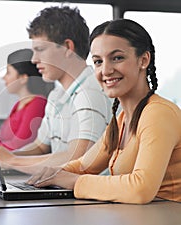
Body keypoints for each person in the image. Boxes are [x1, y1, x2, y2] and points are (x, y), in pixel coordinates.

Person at [27, 18, 181, 204]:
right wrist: (51, 175)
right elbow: (85, 165)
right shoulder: (123, 119)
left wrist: (73, 181)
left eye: (117, 58)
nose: (105, 70)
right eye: (98, 62)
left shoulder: (158, 113)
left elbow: (141, 189)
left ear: (143, 60)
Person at [0, 6, 112, 174]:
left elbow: (77, 158)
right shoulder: (56, 95)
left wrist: (13, 161)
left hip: (89, 194)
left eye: (40, 50)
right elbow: (41, 146)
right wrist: (4, 158)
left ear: (67, 47)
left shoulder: (90, 92)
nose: (34, 60)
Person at [0, 48, 54, 152]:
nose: (4, 78)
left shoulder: (38, 104)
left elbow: (18, 145)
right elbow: (3, 140)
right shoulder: (19, 104)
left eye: (8, 73)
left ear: (23, 78)